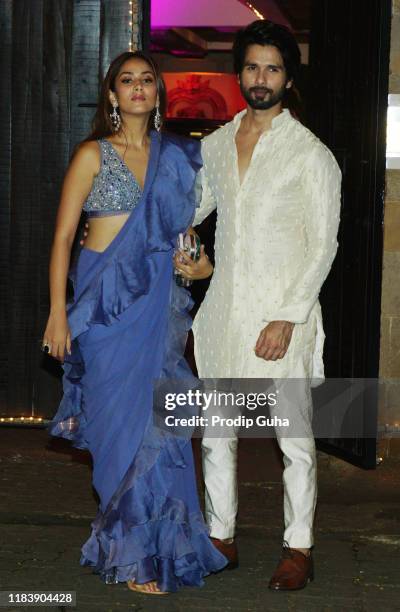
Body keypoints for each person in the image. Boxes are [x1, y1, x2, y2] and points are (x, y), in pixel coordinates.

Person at [42, 50, 226, 595]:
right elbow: (60, 239)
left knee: (159, 430)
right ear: (113, 95)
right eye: (128, 81)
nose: (139, 88)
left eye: (148, 80)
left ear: (158, 93)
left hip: (156, 307)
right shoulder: (92, 155)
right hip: (101, 312)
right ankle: (127, 545)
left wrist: (199, 264)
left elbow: (186, 239)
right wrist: (57, 312)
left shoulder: (178, 157)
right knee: (115, 434)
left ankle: (150, 551)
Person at [175, 20, 341, 590]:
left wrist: (289, 317)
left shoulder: (310, 154)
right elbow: (192, 210)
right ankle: (220, 536)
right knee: (217, 431)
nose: (261, 78)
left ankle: (299, 548)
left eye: (272, 68)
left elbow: (324, 245)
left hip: (281, 316)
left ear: (288, 78)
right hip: (223, 313)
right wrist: (186, 248)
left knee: (292, 438)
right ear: (239, 72)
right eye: (251, 67)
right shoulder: (217, 144)